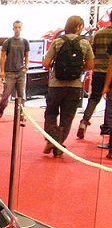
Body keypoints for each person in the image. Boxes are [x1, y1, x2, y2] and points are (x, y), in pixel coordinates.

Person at [42, 16, 94, 157]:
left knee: (50, 113)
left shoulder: (58, 41)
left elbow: (46, 63)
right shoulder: (84, 43)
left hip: (56, 85)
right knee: (67, 117)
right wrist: (78, 68)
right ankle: (58, 147)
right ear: (79, 27)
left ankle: (52, 138)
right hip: (74, 86)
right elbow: (90, 65)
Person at [76, 23, 112, 138]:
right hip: (110, 71)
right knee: (110, 100)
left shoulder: (99, 34)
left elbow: (92, 52)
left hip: (98, 70)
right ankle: (107, 127)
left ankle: (84, 122)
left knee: (94, 98)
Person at [0, 20, 29, 118]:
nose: (17, 29)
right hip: (9, 72)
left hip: (21, 72)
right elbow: (2, 57)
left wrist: (26, 66)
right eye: (15, 27)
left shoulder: (25, 42)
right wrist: (2, 71)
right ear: (13, 28)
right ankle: (2, 108)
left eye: (19, 27)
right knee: (5, 95)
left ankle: (21, 115)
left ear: (21, 28)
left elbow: (27, 55)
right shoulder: (8, 42)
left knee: (21, 95)